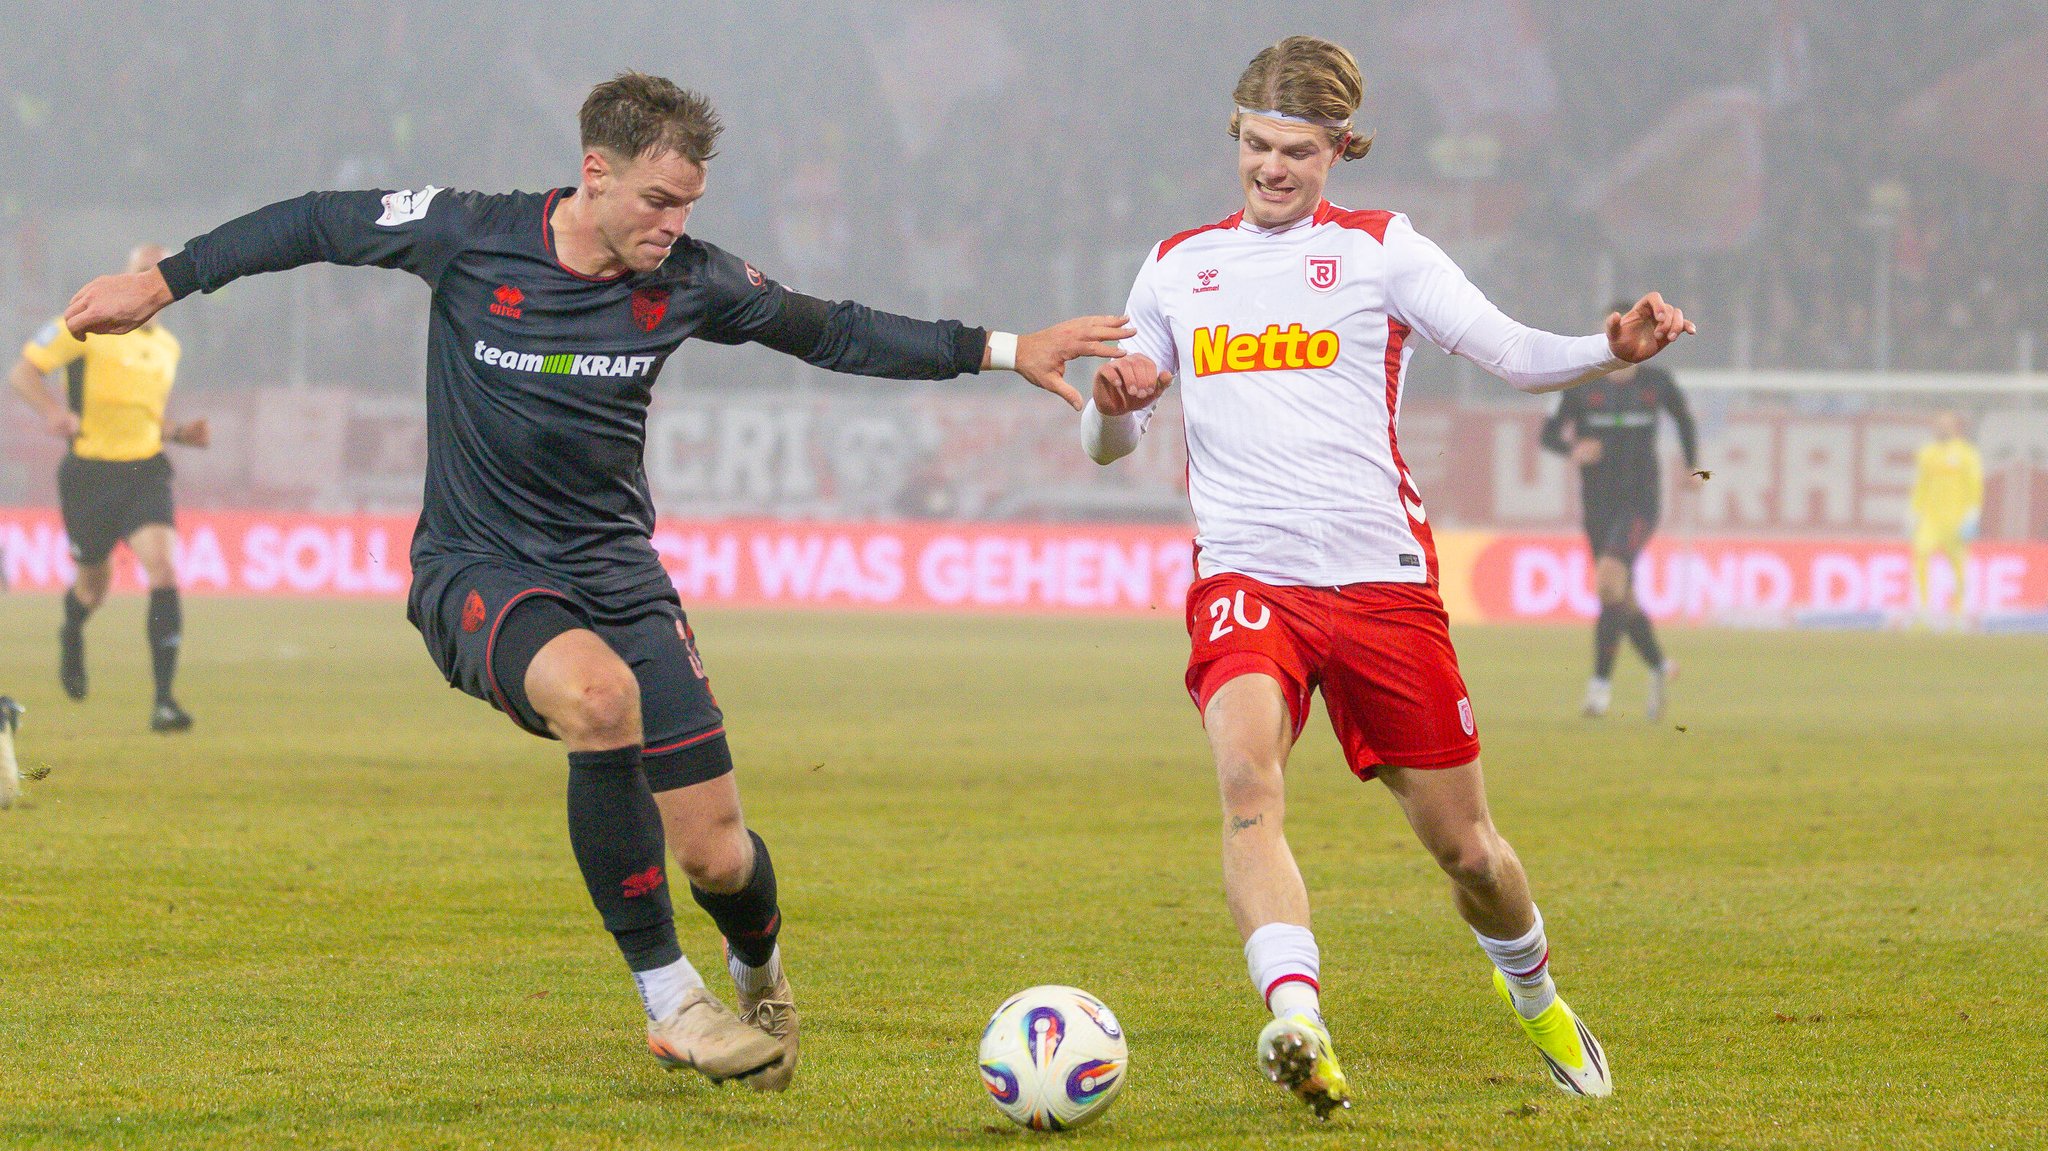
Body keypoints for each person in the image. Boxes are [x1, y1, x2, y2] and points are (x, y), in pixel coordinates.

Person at [63, 72, 1129, 1090]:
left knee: (717, 854)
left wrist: (1001, 346)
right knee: (598, 696)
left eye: (688, 205)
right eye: (657, 200)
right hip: (477, 568)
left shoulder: (691, 279)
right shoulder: (469, 233)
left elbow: (832, 330)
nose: (672, 223)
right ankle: (671, 1000)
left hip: (618, 574)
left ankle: (758, 977)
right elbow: (311, 221)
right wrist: (161, 283)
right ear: (595, 171)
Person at [1083, 36, 1693, 1114]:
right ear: (1236, 136)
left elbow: (1507, 351)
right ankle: (1296, 1017)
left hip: (1381, 586)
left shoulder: (1379, 251)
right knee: (1244, 783)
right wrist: (1111, 402)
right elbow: (1108, 441)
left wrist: (1609, 347)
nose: (1272, 168)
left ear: (1337, 151)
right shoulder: (1177, 266)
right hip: (1245, 580)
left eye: (1297, 151)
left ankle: (1537, 995)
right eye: (1256, 145)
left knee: (1468, 850)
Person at [11, 244, 211, 732]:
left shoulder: (168, 347)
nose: (149, 280)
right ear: (123, 277)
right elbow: (23, 374)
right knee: (93, 587)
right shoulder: (85, 324)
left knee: (163, 570)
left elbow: (142, 415)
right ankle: (72, 630)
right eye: (140, 271)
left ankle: (164, 702)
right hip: (90, 476)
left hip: (145, 472)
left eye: (157, 273)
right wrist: (53, 412)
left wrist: (179, 433)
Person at [1537, 315, 1700, 720]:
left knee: (1609, 581)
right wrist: (1572, 448)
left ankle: (1599, 688)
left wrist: (1692, 466)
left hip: (1641, 502)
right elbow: (1549, 435)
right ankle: (1660, 667)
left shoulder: (1657, 383)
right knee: (1618, 593)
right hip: (1597, 504)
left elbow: (1683, 418)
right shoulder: (1580, 384)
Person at [1907, 410, 1983, 624]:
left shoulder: (1967, 453)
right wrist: (1914, 512)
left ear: (1955, 427)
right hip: (1930, 519)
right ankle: (1922, 609)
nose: (1942, 428)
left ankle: (1957, 611)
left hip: (1956, 520)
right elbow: (1920, 485)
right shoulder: (1926, 453)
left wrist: (1972, 515)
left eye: (1946, 425)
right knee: (1920, 554)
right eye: (1939, 425)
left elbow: (1974, 485)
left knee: (1958, 565)